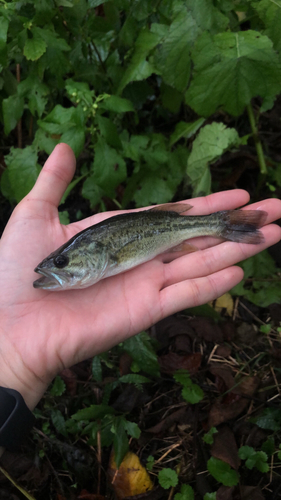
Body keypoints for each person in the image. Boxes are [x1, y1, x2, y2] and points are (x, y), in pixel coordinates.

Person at [0, 143, 280, 417]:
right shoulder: (91, 260)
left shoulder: (108, 254)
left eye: (61, 262)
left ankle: (224, 223)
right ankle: (226, 224)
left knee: (220, 228)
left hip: (172, 232)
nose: (57, 267)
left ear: (95, 253)